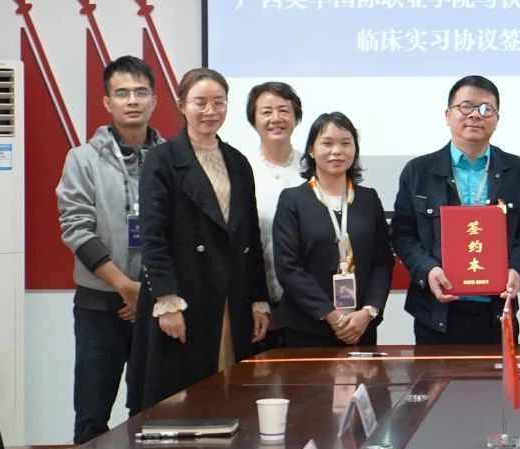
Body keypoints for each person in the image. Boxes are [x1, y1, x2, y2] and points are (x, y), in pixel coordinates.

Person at [132, 68, 269, 410]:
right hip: (183, 297)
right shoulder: (162, 160)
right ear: (182, 106)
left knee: (229, 393)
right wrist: (167, 300)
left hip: (231, 296)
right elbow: (153, 237)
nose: (210, 111)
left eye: (219, 102)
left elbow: (250, 236)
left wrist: (258, 300)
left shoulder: (237, 162)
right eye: (200, 102)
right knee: (180, 401)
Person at [56, 55, 163, 443]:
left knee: (151, 416)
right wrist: (125, 288)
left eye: (140, 92)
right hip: (99, 307)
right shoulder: (83, 159)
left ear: (154, 100)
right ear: (107, 102)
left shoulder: (171, 159)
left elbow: (178, 235)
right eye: (122, 93)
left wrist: (146, 294)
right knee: (91, 417)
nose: (132, 100)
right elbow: (76, 230)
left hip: (156, 308)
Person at [390, 76, 520, 344]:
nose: (475, 115)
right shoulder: (418, 171)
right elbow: (402, 234)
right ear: (448, 115)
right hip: (436, 314)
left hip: (496, 311)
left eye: (486, 109)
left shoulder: (516, 170)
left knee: (499, 374)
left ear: (497, 119)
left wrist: (516, 269)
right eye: (466, 107)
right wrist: (428, 270)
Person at [272, 112, 393, 347]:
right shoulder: (293, 200)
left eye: (345, 143)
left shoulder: (368, 199)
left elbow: (382, 262)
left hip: (361, 328)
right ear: (311, 150)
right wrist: (332, 315)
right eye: (327, 143)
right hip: (307, 329)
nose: (337, 151)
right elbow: (288, 267)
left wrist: (369, 311)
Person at [244, 81, 303, 345]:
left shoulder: (313, 168)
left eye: (284, 110)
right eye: (266, 112)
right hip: (255, 301)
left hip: (308, 304)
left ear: (296, 117)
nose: (276, 118)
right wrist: (255, 301)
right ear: (253, 119)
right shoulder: (241, 168)